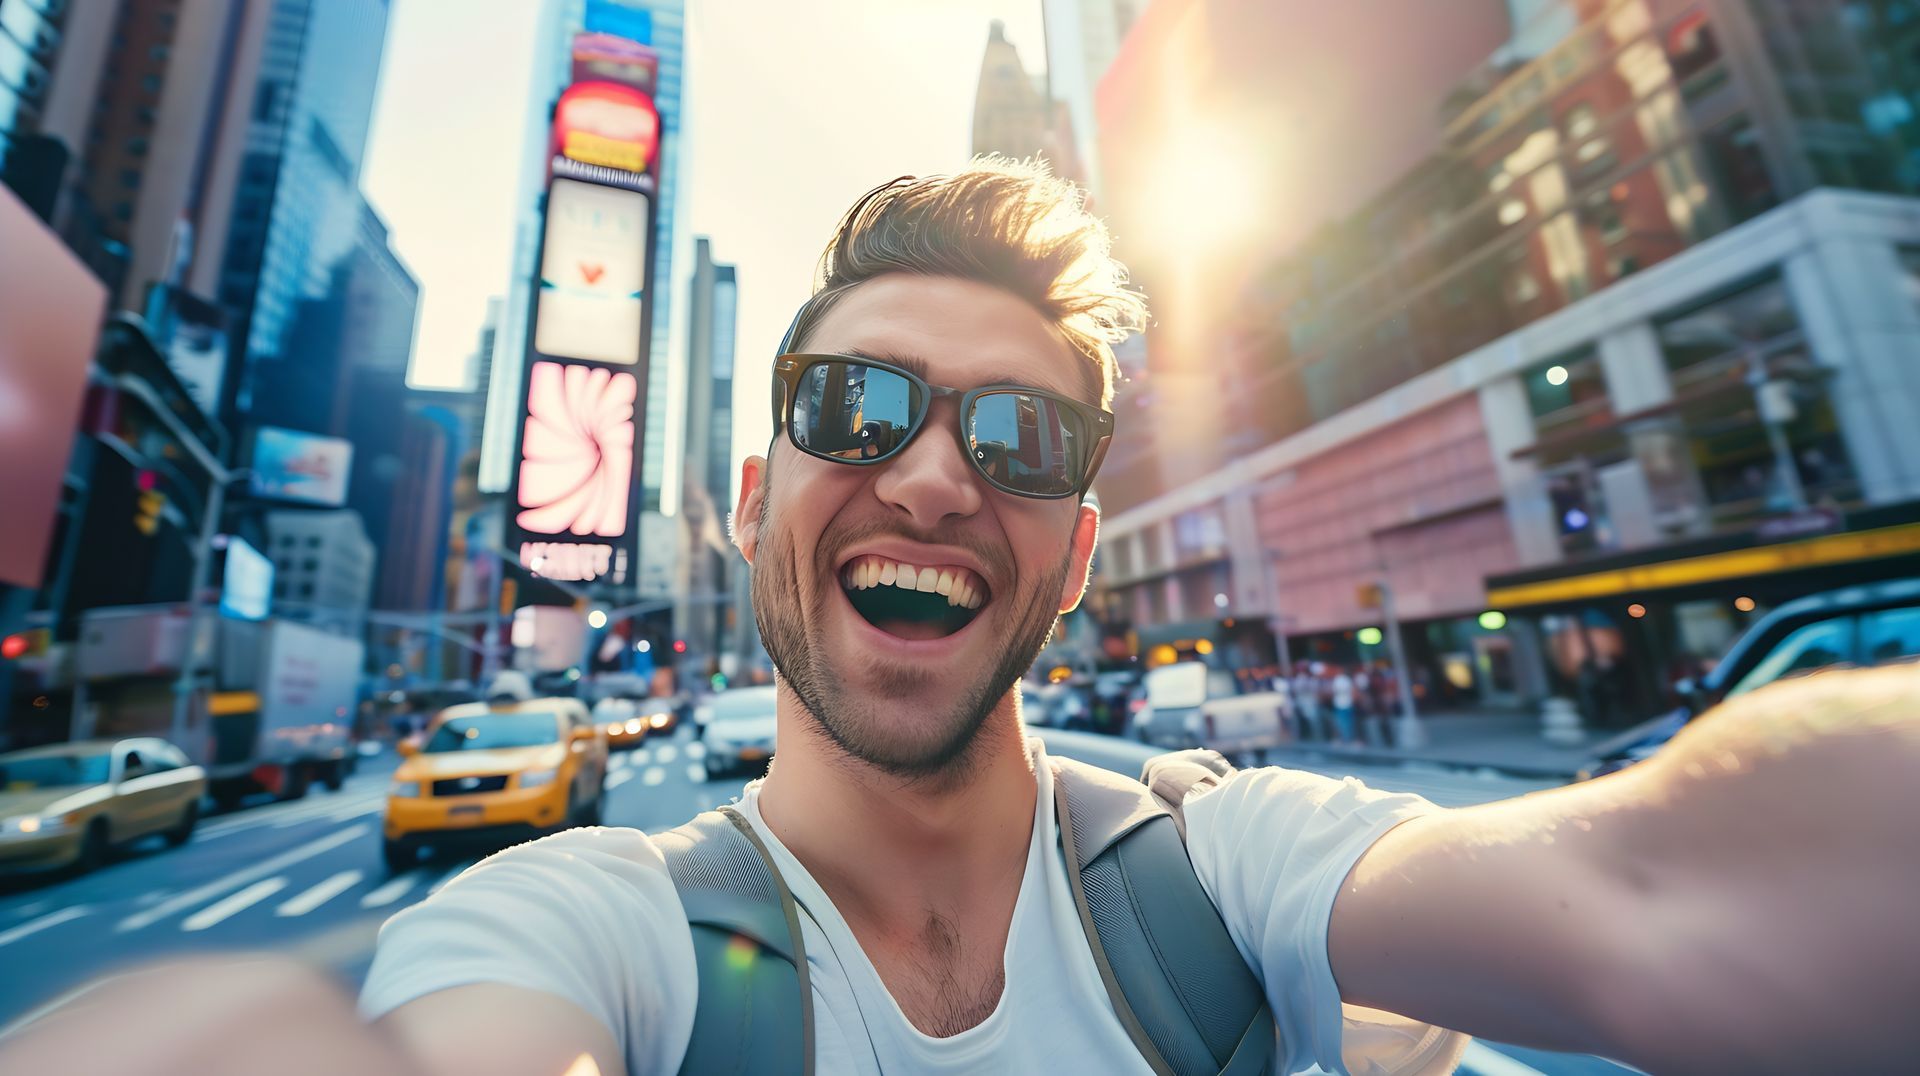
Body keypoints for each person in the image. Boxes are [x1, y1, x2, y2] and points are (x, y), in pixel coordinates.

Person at [6, 160, 1920, 1076]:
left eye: (1014, 438)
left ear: (1076, 554)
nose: (931, 477)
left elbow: (1678, 903)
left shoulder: (1229, 875)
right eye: (858, 409)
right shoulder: (587, 923)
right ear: (758, 506)